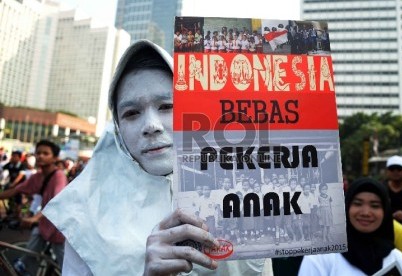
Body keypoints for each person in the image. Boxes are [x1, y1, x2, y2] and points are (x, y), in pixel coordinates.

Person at [43, 40, 271, 275]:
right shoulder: (86, 217)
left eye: (167, 106)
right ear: (118, 129)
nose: (151, 126)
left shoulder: (247, 197)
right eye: (131, 113)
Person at [298, 178, 402, 275]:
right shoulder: (322, 257)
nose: (366, 212)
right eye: (357, 204)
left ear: (385, 212)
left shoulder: (395, 258)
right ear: (346, 207)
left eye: (375, 206)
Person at [0, 140, 67, 273]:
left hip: (60, 226)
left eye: (45, 153)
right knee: (30, 252)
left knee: (66, 266)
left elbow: (56, 201)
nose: (40, 156)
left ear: (55, 158)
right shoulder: (37, 177)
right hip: (45, 223)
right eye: (38, 153)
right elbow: (15, 190)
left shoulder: (59, 176)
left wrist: (34, 218)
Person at [384, 155, 402, 222]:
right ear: (387, 171)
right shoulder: (382, 188)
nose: (395, 171)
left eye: (399, 168)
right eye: (392, 168)